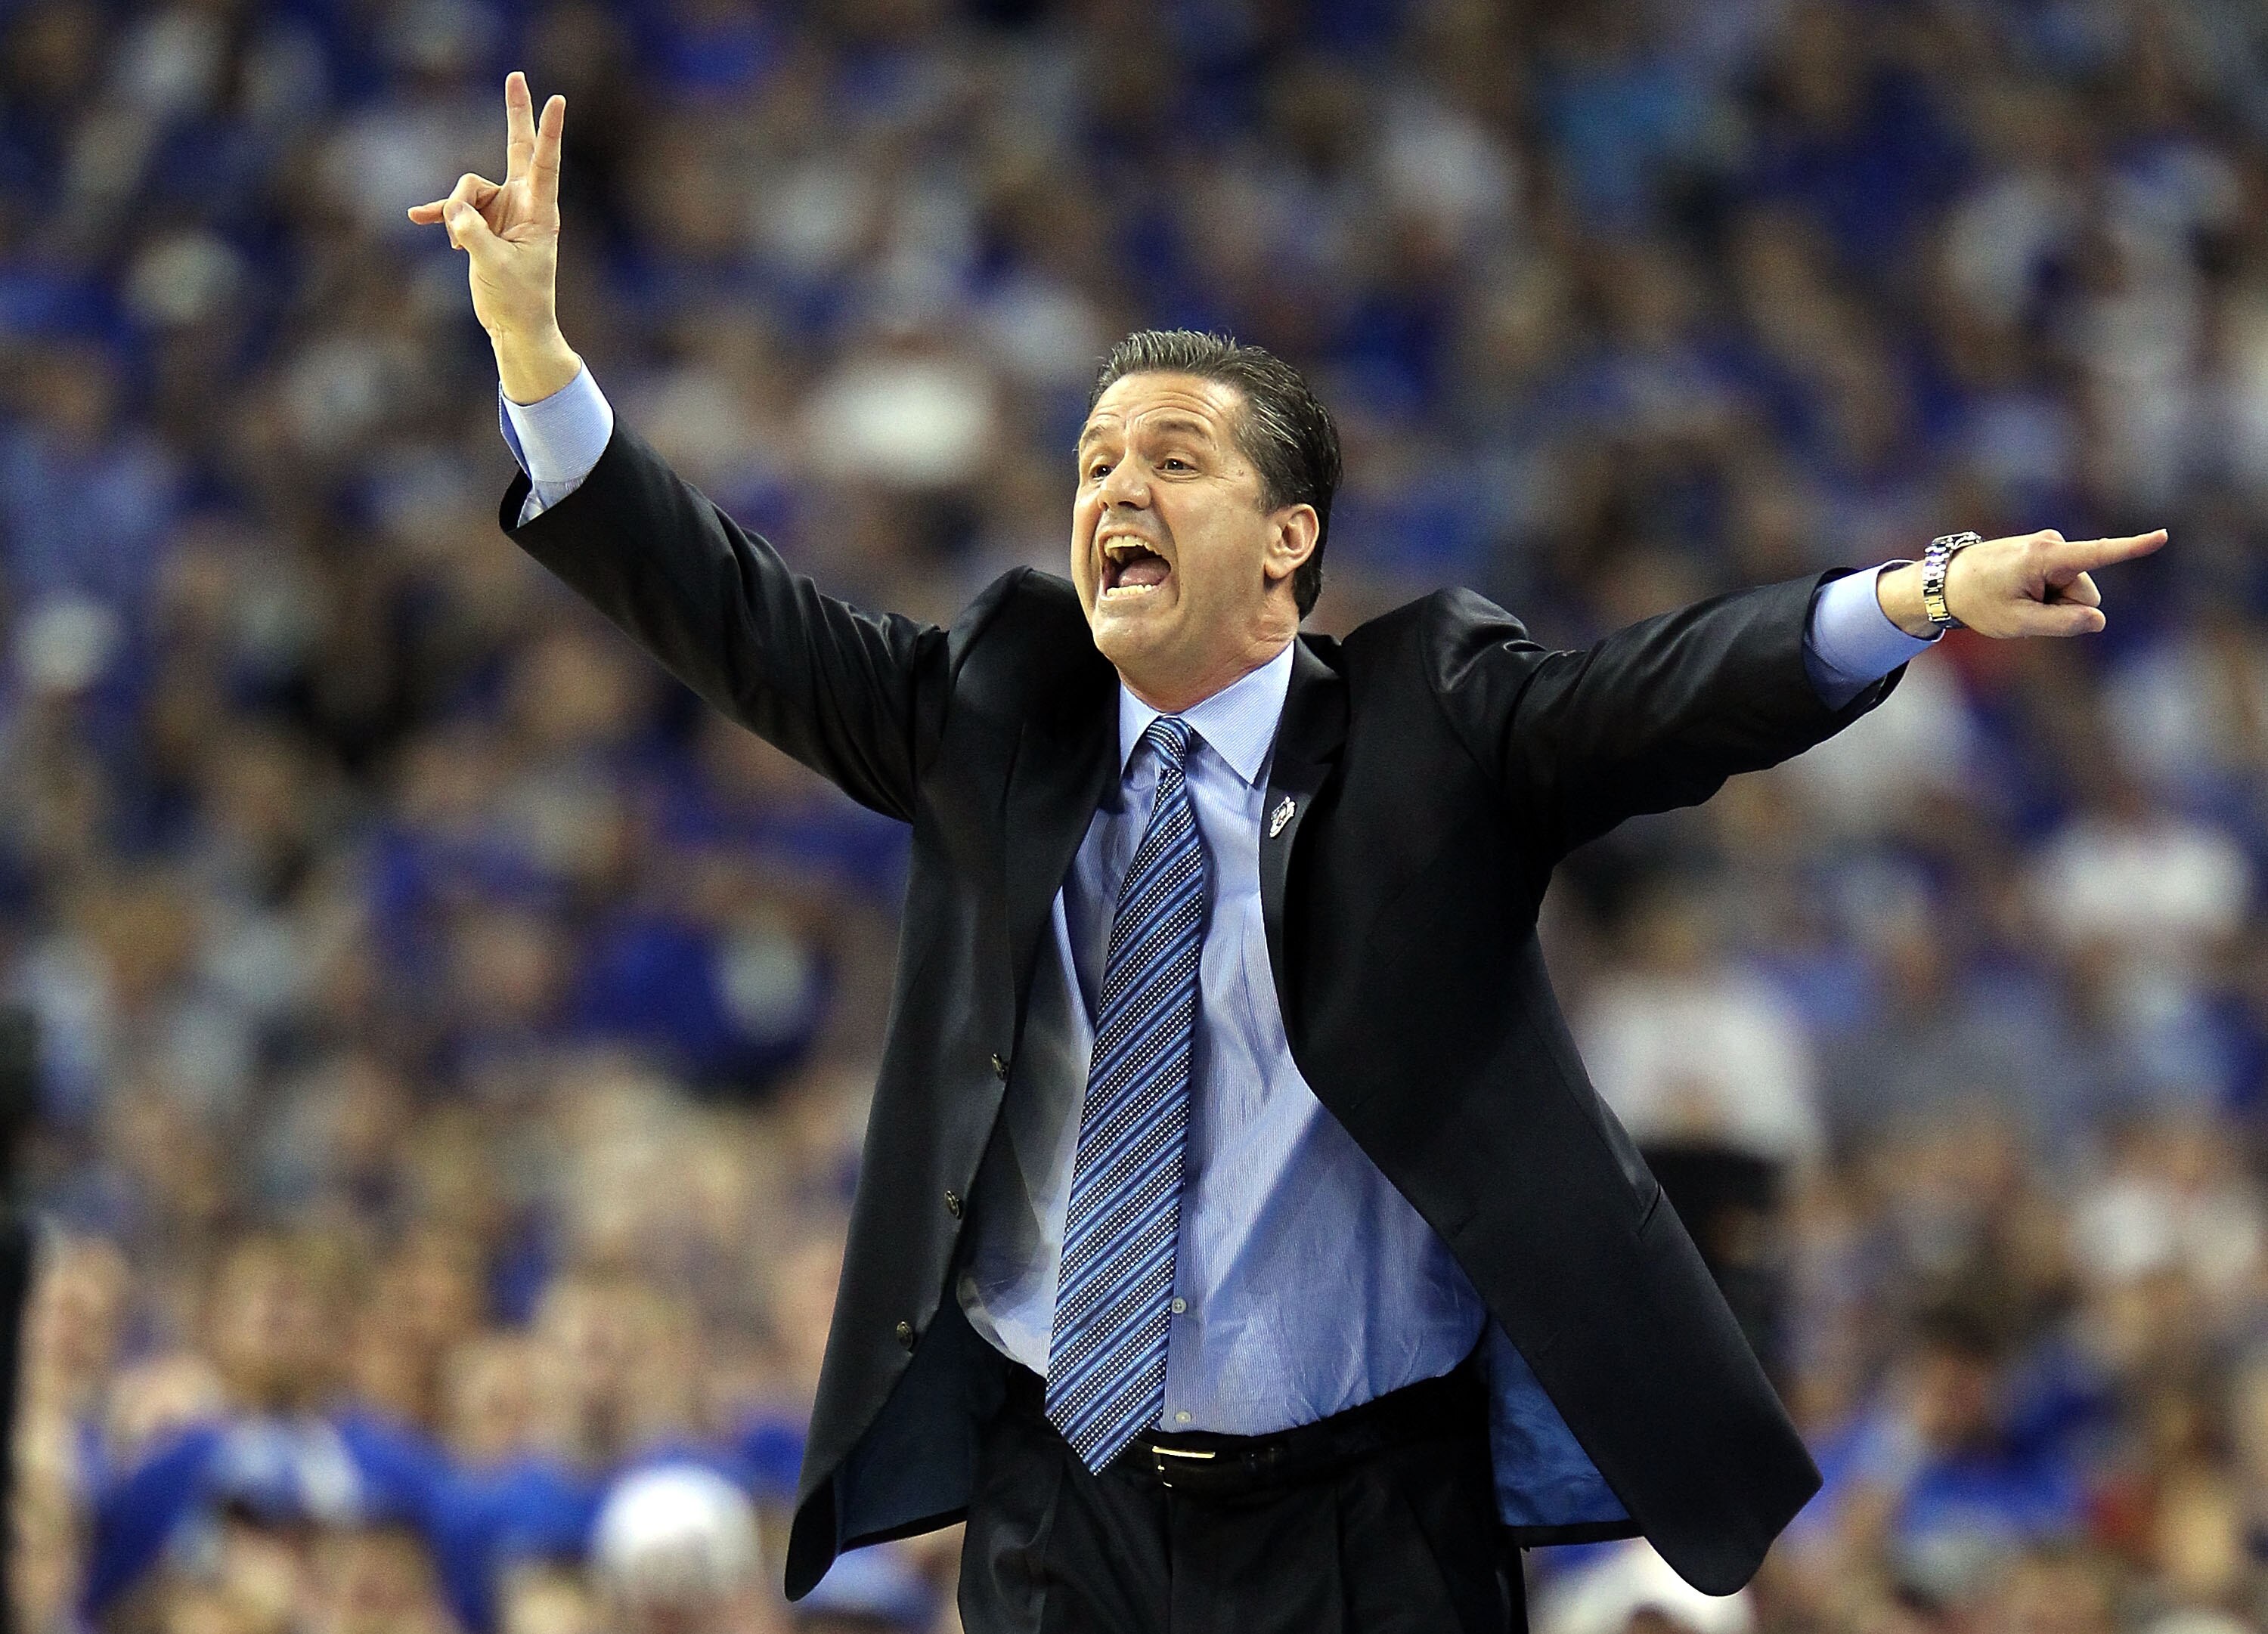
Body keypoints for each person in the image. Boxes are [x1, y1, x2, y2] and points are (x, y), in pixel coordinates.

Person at [411, 73, 2167, 1634]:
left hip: (1365, 1522)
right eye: (1094, 460)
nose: (1115, 490)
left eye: (1175, 459)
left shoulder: (1430, 722)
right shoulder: (995, 712)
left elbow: (1658, 695)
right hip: (1060, 1503)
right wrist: (540, 367)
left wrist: (1920, 593)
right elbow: (742, 617)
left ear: (1287, 542)